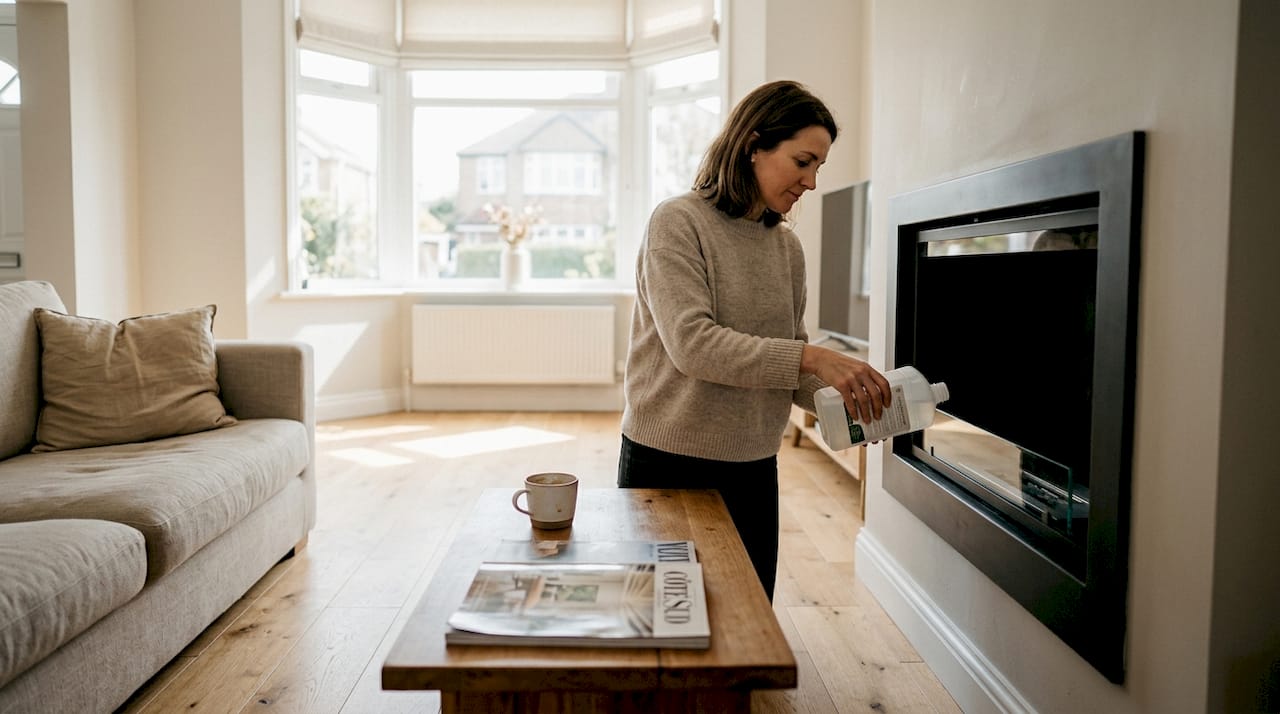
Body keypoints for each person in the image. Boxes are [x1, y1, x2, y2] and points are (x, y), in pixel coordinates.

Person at [616, 80, 892, 602]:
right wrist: (815, 358)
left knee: (747, 627)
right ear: (754, 146)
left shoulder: (787, 249)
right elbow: (693, 345)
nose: (810, 182)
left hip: (753, 466)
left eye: (819, 168)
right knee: (662, 626)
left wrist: (857, 401)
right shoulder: (677, 222)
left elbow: (787, 371)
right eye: (803, 161)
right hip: (669, 459)